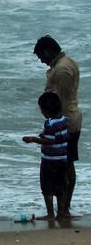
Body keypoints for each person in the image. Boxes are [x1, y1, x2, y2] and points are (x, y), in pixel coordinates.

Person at [33, 35, 82, 212]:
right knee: (68, 164)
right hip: (70, 118)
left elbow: (59, 101)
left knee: (65, 167)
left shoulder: (62, 70)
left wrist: (52, 128)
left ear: (48, 51)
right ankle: (65, 207)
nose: (42, 61)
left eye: (41, 57)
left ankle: (64, 207)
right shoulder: (68, 62)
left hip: (66, 121)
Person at [23, 92, 72, 220]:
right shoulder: (63, 120)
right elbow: (59, 136)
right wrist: (46, 134)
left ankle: (50, 214)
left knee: (47, 188)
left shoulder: (49, 123)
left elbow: (49, 141)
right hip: (63, 159)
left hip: (50, 161)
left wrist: (33, 139)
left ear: (45, 110)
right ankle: (61, 213)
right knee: (60, 188)